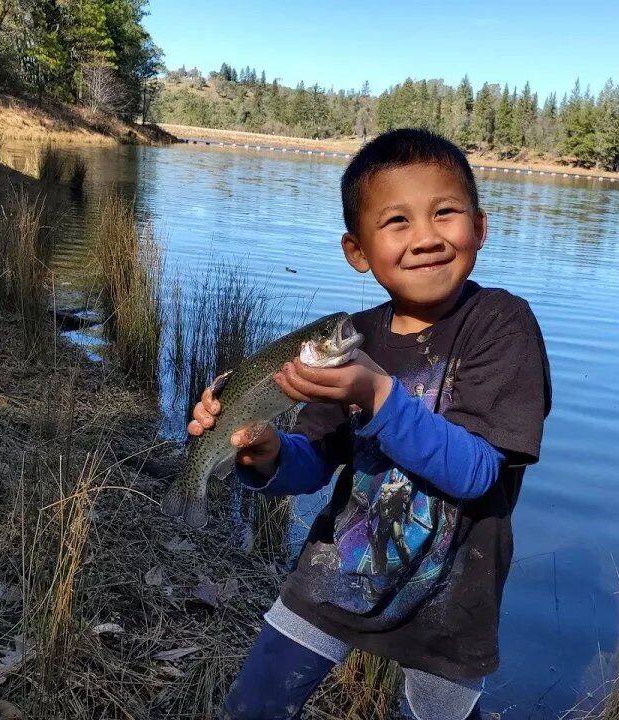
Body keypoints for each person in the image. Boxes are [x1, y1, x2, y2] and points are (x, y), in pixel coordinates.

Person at [190, 128, 553, 719]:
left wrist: (378, 392)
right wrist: (264, 453)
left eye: (444, 213)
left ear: (480, 228)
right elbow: (312, 460)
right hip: (333, 577)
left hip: (450, 603)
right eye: (397, 222)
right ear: (357, 252)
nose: (427, 238)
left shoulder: (502, 325)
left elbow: (479, 472)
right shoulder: (352, 335)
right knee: (250, 709)